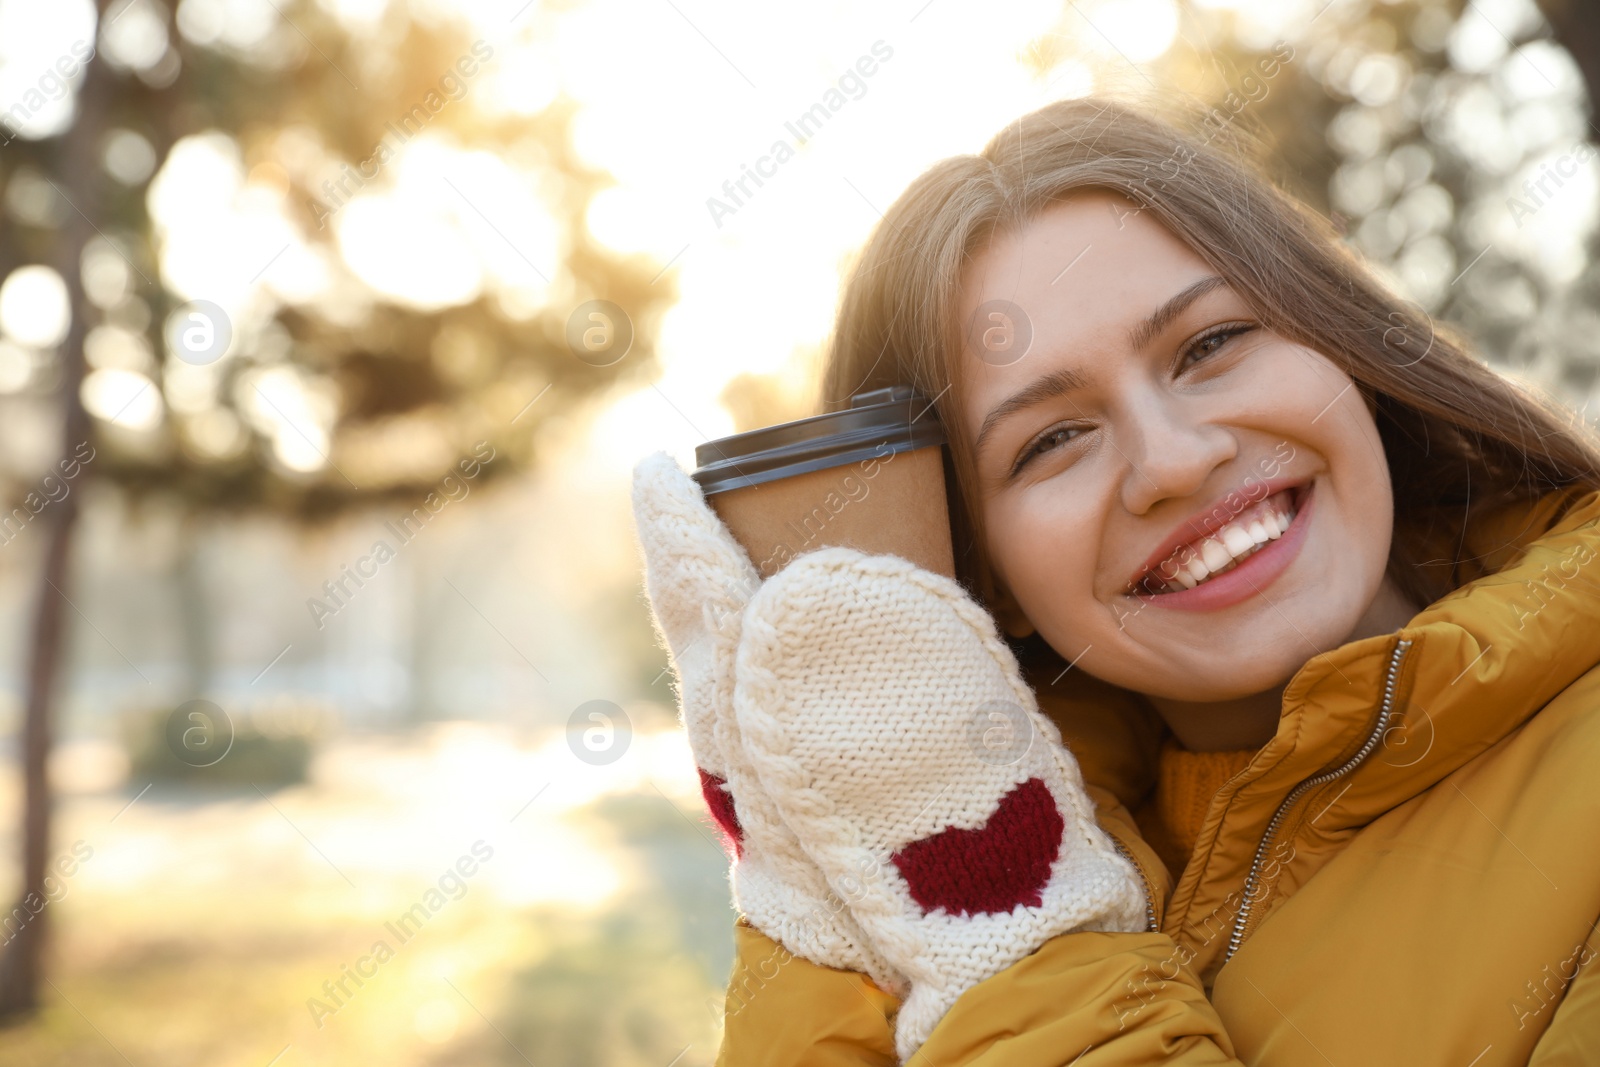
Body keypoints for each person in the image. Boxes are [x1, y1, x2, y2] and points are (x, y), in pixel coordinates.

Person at [631, 95, 1600, 1065]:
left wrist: (1003, 920)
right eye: (1052, 439)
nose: (1173, 460)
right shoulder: (912, 823)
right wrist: (826, 856)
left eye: (1209, 344)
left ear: (1336, 345)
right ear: (983, 575)